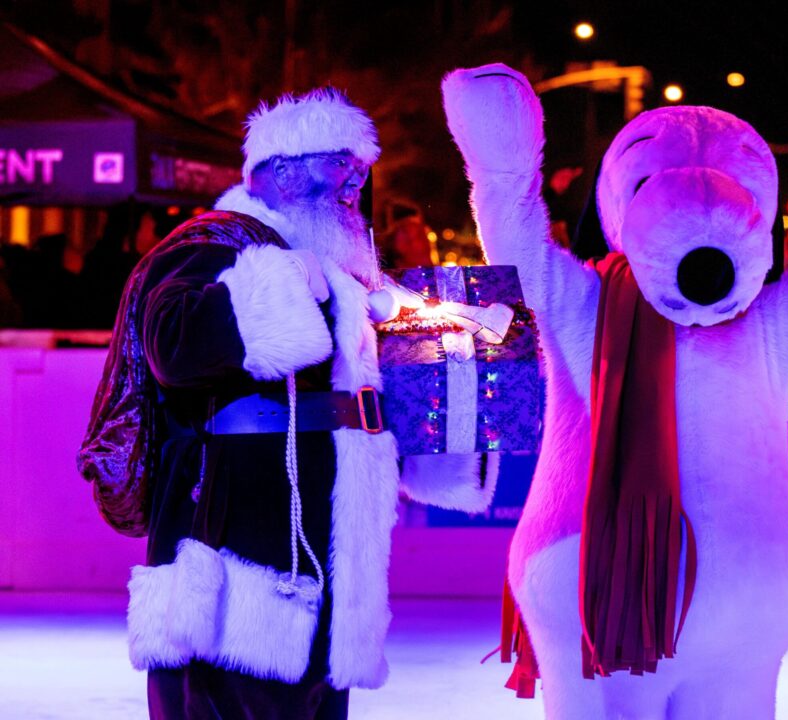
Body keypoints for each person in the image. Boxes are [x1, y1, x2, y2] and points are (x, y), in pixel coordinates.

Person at [84, 88, 495, 719]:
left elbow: (365, 396)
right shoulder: (216, 244)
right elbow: (174, 343)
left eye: (360, 171)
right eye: (339, 165)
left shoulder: (343, 274)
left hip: (321, 558)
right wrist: (283, 281)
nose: (355, 184)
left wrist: (459, 353)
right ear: (279, 172)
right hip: (234, 562)